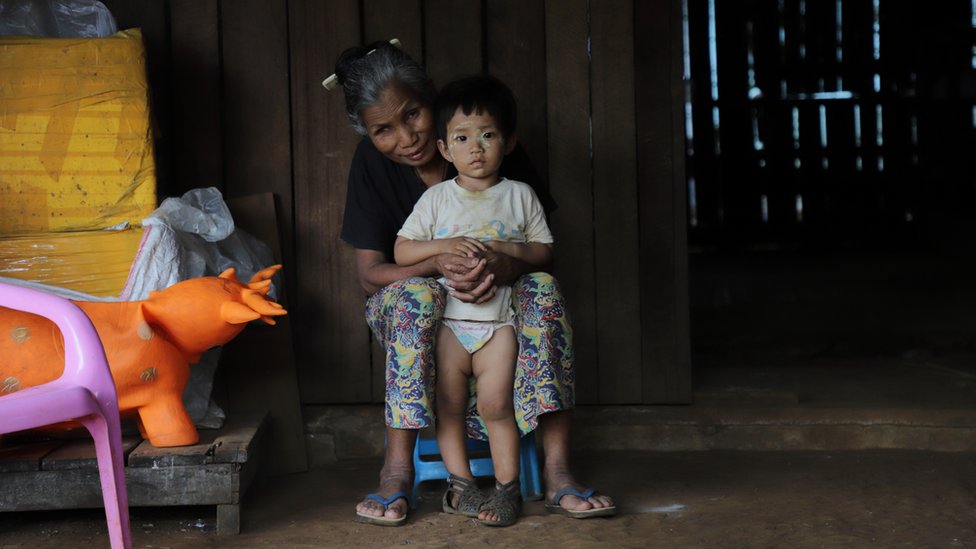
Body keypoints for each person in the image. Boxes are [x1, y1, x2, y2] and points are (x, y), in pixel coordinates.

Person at [330, 40, 616, 526]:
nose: (407, 137)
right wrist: (438, 264)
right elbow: (370, 275)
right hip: (416, 300)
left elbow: (543, 252)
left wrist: (508, 266)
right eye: (383, 130)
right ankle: (397, 471)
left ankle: (558, 471)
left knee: (542, 290)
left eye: (414, 114)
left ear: (432, 97)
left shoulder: (483, 138)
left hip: (499, 296)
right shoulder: (372, 166)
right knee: (416, 298)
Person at [394, 75, 553, 527]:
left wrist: (507, 253)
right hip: (451, 324)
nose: (476, 147)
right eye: (462, 138)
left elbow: (544, 253)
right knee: (447, 404)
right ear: (445, 149)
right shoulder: (437, 199)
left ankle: (507, 489)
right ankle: (460, 485)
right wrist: (444, 248)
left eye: (488, 135)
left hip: (498, 324)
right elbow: (403, 251)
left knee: (496, 405)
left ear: (509, 141)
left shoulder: (520, 196)